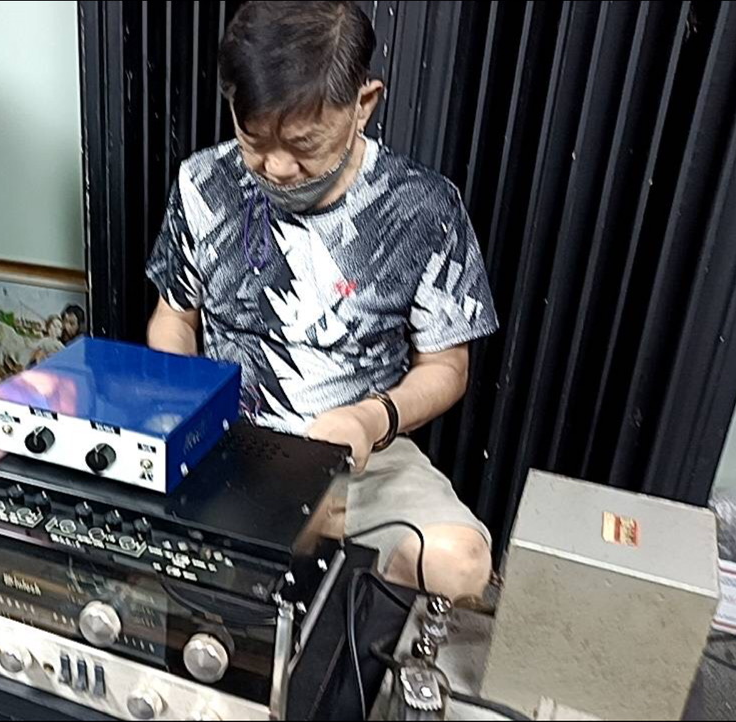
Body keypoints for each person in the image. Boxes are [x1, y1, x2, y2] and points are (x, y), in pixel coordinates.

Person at [145, 1, 499, 602]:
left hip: (362, 456)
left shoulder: (424, 207)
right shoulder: (202, 182)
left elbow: (446, 367)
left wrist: (370, 419)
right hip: (224, 443)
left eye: (304, 142)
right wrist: (189, 409)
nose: (276, 167)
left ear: (364, 104)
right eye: (254, 139)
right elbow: (173, 317)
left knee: (460, 565)